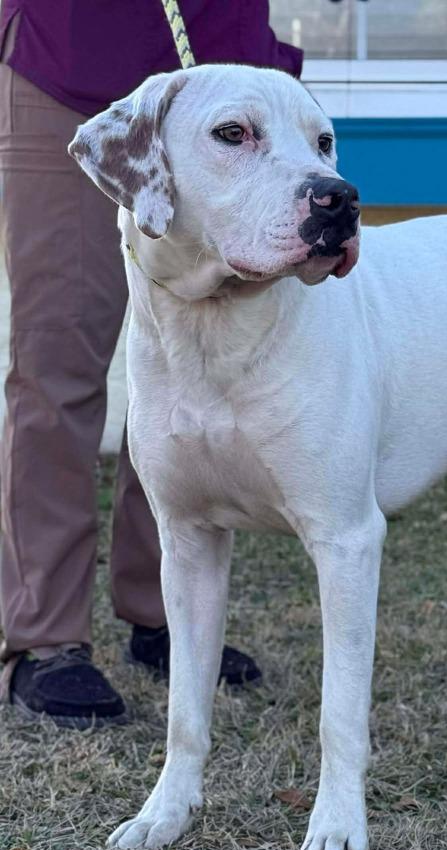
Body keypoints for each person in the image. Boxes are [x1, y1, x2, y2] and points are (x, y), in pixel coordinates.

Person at [0, 1, 303, 727]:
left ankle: (163, 615)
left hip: (226, 79)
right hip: (67, 69)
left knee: (191, 364)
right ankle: (44, 640)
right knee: (59, 360)